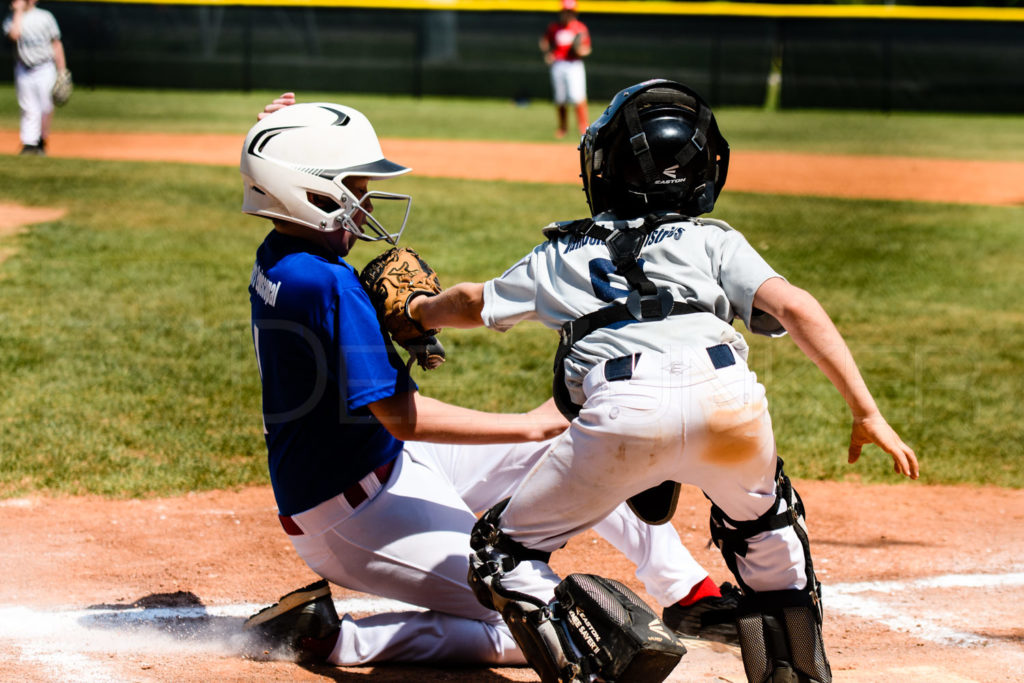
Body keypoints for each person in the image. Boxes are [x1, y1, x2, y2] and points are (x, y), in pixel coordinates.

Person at [408, 79, 920, 683]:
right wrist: (867, 411)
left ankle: (598, 666)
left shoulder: (562, 252)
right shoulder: (712, 239)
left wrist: (417, 311)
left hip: (619, 415)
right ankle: (792, 667)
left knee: (505, 554)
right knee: (764, 530)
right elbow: (799, 308)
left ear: (604, 168)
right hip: (730, 405)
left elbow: (471, 303)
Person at [237, 96, 744, 669]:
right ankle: (332, 639)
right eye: (354, 184)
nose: (366, 201)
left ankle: (689, 594)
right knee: (531, 615)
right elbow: (402, 415)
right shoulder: (327, 283)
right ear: (310, 188)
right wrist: (525, 426)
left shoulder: (286, 254)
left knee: (578, 444)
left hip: (382, 464)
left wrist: (274, 137)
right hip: (352, 514)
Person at [3, 0, 66, 155]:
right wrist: (18, 12)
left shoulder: (45, 17)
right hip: (23, 68)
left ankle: (41, 139)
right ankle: (29, 143)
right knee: (28, 107)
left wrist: (62, 70)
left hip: (45, 67)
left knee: (46, 106)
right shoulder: (10, 19)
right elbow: (15, 35)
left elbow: (56, 44)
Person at [540, 0, 591, 139]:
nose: (567, 14)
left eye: (570, 11)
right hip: (558, 64)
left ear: (574, 12)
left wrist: (581, 51)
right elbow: (544, 41)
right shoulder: (554, 28)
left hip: (574, 65)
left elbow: (586, 48)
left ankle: (583, 127)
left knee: (578, 96)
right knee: (560, 98)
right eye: (565, 11)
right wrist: (548, 53)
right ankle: (563, 128)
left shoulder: (580, 28)